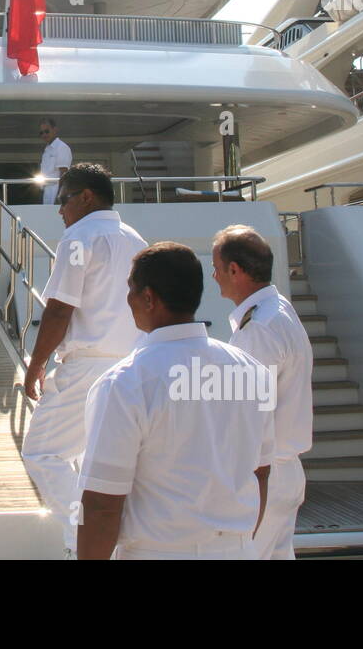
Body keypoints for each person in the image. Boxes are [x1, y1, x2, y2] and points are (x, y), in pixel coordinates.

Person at [78, 242, 274, 560]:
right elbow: (261, 472)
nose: (127, 299)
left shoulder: (125, 382)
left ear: (148, 297)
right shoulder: (253, 372)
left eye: (130, 289)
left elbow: (102, 505)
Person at [21, 163, 146, 556]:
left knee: (43, 453)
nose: (60, 210)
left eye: (63, 199)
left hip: (86, 367)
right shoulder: (136, 240)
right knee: (93, 460)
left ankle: (82, 543)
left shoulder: (79, 237)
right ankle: (100, 542)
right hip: (132, 366)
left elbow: (59, 309)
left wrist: (35, 365)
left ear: (86, 197)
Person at [212, 224, 313, 560]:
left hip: (263, 476)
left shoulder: (258, 330)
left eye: (216, 268)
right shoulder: (279, 310)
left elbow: (248, 417)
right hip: (284, 470)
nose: (214, 276)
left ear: (235, 270)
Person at [37, 118, 72, 205]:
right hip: (46, 191)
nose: (44, 134)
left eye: (46, 131)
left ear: (55, 130)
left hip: (56, 192)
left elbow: (64, 173)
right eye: (41, 133)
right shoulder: (47, 150)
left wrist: (60, 196)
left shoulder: (61, 147)